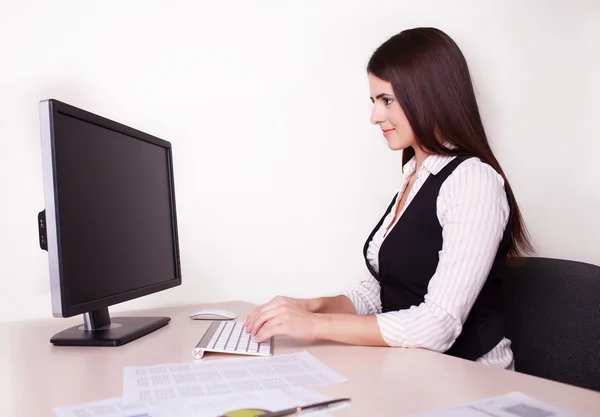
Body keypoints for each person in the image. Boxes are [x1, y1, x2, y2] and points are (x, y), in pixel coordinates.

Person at [244, 27, 532, 369]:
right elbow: (380, 292)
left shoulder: (473, 181)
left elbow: (438, 324)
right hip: (416, 370)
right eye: (374, 101)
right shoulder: (415, 175)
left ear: (429, 95)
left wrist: (316, 326)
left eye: (387, 100)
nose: (375, 116)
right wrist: (310, 307)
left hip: (473, 377)